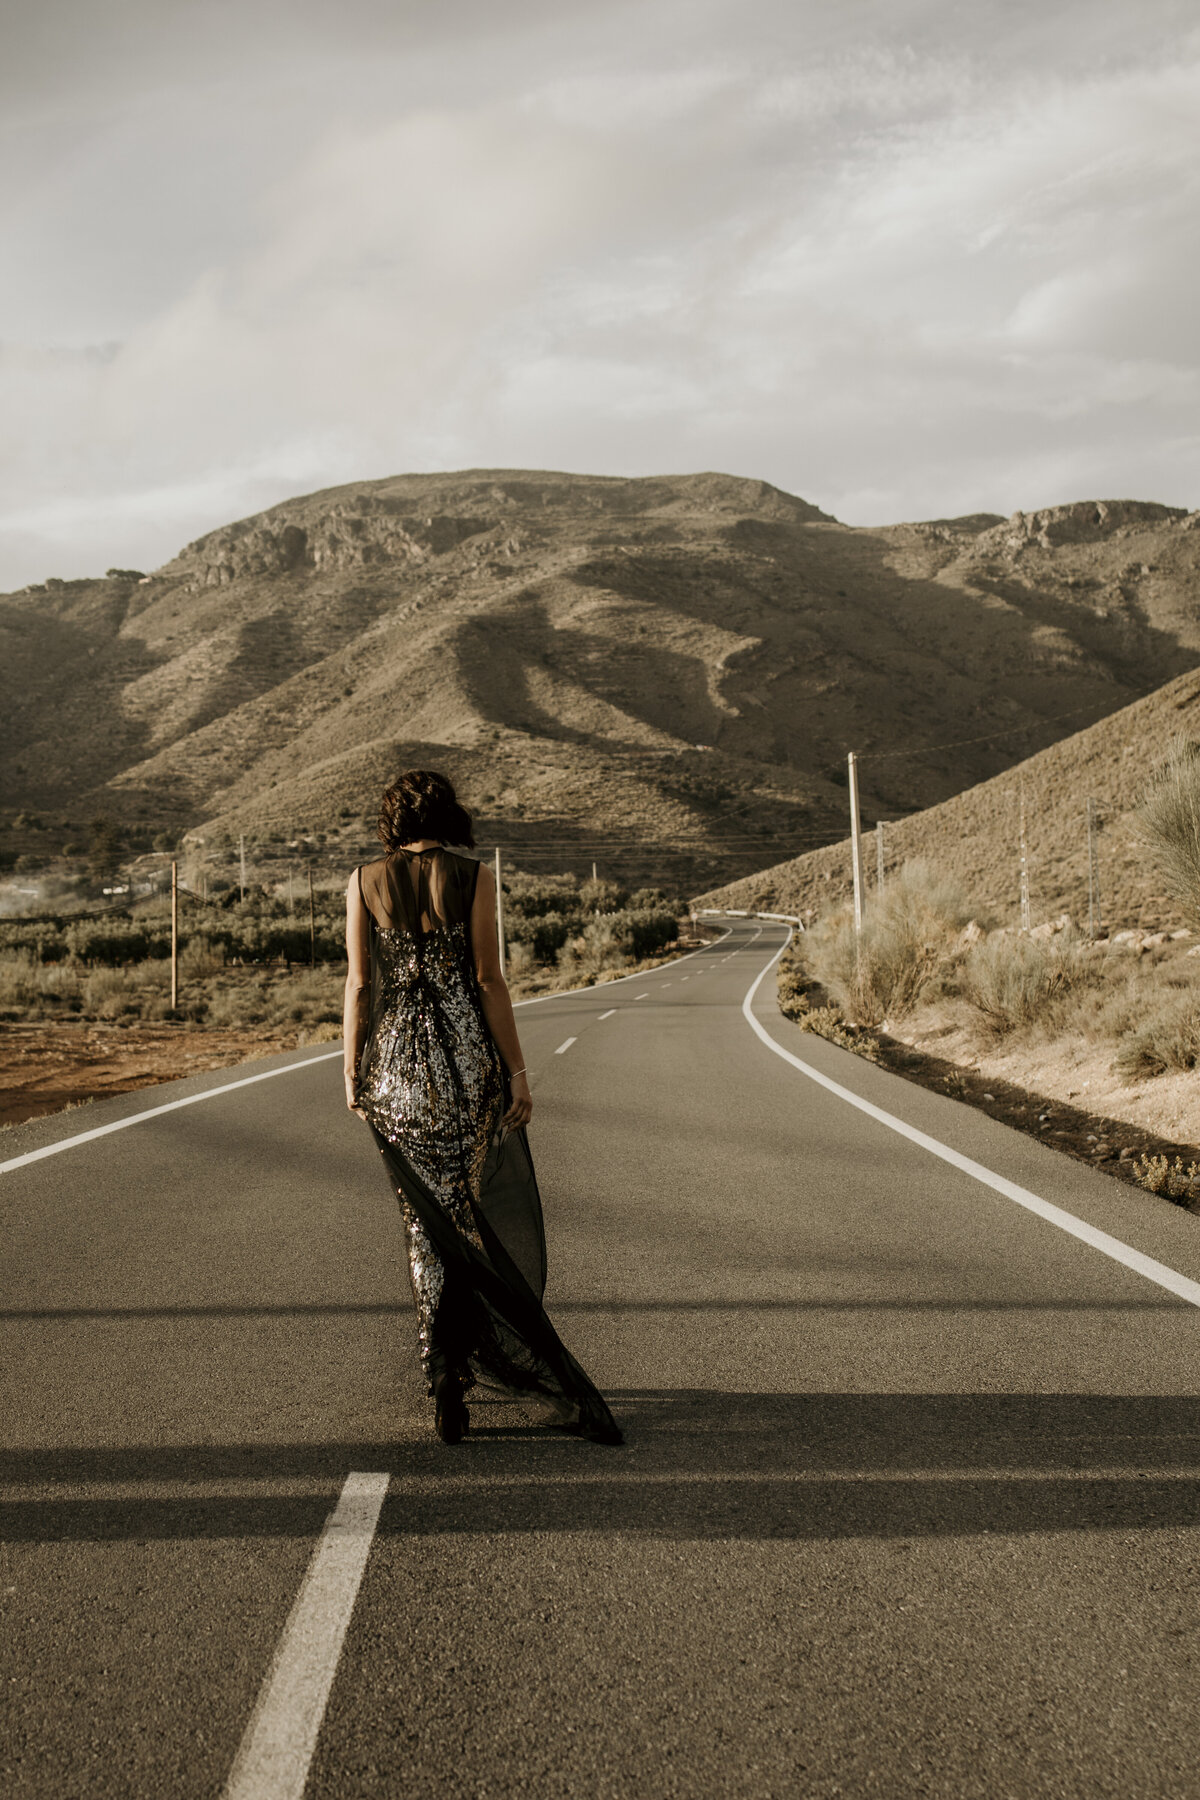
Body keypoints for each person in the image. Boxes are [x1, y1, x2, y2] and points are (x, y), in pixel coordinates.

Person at [343, 768, 622, 1446]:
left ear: (393, 823)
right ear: (449, 815)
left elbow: (357, 983)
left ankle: (440, 1370)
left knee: (423, 1221)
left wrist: (350, 1073)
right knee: (466, 1212)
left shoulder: (362, 881)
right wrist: (519, 1075)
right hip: (466, 1066)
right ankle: (469, 1354)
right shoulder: (474, 877)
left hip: (396, 1073)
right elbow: (490, 979)